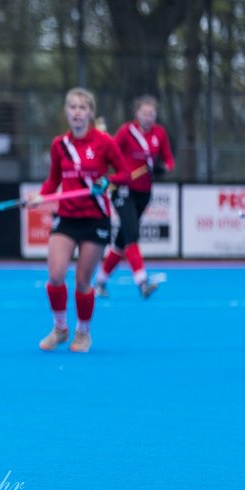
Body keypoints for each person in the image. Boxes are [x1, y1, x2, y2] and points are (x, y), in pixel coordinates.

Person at [29, 88, 133, 353]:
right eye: (72, 107)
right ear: (66, 112)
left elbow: (125, 174)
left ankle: (83, 333)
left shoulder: (104, 142)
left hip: (95, 219)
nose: (77, 112)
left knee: (83, 281)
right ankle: (60, 329)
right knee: (55, 276)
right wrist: (40, 197)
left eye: (82, 108)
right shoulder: (58, 145)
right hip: (67, 217)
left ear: (90, 113)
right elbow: (54, 181)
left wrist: (107, 181)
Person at [94, 95, 176, 298]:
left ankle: (100, 282)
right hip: (122, 189)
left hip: (144, 192)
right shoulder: (126, 131)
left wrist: (162, 168)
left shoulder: (160, 133)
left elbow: (169, 161)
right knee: (131, 233)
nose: (148, 117)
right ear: (137, 113)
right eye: (144, 113)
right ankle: (142, 282)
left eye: (152, 113)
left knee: (122, 240)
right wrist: (107, 176)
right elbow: (110, 153)